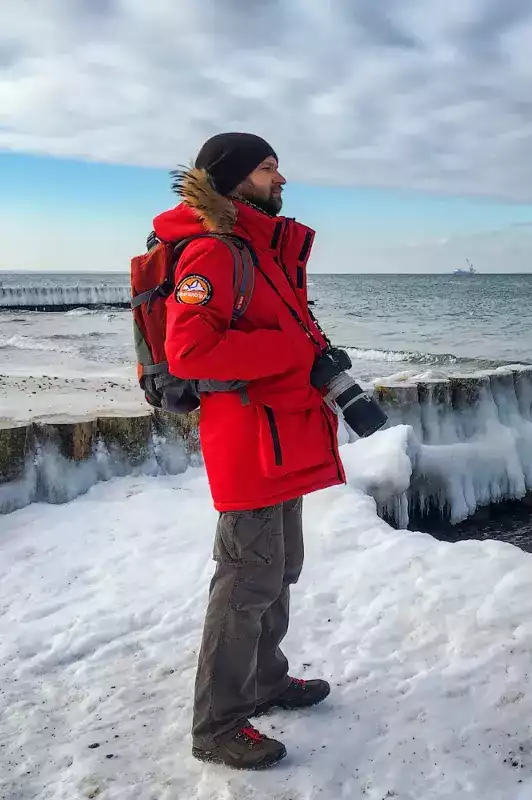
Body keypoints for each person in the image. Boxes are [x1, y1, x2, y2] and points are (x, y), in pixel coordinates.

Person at [152, 133, 343, 769]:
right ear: (235, 179)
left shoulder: (258, 251)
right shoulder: (212, 252)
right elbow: (190, 352)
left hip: (278, 436)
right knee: (244, 581)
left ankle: (266, 681)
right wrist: (291, 355)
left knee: (279, 567)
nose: (279, 177)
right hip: (247, 442)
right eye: (267, 168)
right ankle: (219, 725)